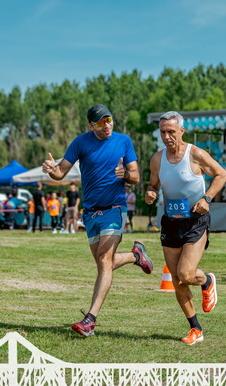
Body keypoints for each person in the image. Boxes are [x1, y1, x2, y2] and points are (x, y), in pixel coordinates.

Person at [42, 103, 153, 337]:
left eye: (109, 120)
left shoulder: (124, 141)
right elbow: (60, 173)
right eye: (101, 122)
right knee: (105, 264)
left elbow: (135, 176)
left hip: (114, 208)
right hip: (90, 212)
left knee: (104, 260)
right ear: (91, 126)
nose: (107, 125)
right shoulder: (80, 143)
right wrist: (50, 169)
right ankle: (135, 256)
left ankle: (90, 320)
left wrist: (126, 175)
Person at [145, 111, 226, 345]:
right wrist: (150, 193)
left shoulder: (196, 154)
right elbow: (153, 184)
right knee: (177, 280)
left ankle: (207, 281)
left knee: (186, 274)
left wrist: (207, 198)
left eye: (171, 131)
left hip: (195, 220)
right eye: (163, 132)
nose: (167, 136)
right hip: (171, 221)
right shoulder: (157, 159)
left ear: (182, 131)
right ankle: (195, 329)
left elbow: (221, 174)